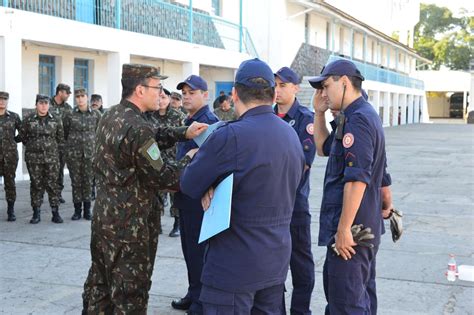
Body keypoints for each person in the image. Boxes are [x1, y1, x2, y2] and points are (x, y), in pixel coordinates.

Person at [180, 58, 305, 313]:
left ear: (235, 94)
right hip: (274, 263)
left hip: (233, 268)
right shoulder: (291, 134)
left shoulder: (229, 135)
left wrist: (200, 171)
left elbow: (190, 184)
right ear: (272, 95)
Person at [81, 63, 207, 314]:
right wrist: (190, 158)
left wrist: (184, 132)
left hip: (105, 220)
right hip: (131, 228)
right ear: (140, 90)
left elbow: (152, 134)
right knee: (130, 295)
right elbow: (164, 177)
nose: (160, 94)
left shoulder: (112, 115)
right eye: (157, 87)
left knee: (100, 286)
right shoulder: (137, 127)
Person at [309, 59, 392, 314]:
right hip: (361, 226)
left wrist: (344, 228)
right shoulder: (354, 116)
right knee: (359, 298)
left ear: (344, 82)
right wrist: (319, 113)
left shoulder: (358, 120)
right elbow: (323, 147)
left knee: (346, 304)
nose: (323, 93)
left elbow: (357, 178)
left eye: (325, 86)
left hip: (353, 232)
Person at [172, 75, 219, 315]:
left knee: (200, 252)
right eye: (185, 92)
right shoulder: (188, 121)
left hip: (199, 199)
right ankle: (193, 293)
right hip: (185, 197)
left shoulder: (209, 123)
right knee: (189, 250)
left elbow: (210, 163)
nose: (187, 96)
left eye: (192, 92)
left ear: (205, 94)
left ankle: (202, 300)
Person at [274, 66, 315, 315]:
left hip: (294, 205)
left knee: (301, 266)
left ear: (296, 88)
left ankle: (300, 311)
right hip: (270, 207)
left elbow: (303, 163)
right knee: (272, 268)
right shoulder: (267, 116)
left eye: (283, 85)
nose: (277, 90)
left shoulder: (304, 119)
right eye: (275, 85)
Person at [21, 94, 64, 224]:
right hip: (34, 159)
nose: (44, 105)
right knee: (36, 185)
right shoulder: (28, 120)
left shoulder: (56, 119)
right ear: (36, 105)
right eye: (41, 103)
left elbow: (60, 139)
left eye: (46, 103)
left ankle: (55, 213)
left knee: (53, 185)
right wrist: (35, 147)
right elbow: (23, 137)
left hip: (52, 159)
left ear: (49, 105)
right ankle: (36, 213)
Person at [63, 88, 101, 221]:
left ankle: (87, 210)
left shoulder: (96, 115)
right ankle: (77, 211)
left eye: (82, 96)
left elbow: (100, 132)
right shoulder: (69, 115)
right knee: (76, 182)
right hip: (74, 154)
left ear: (87, 98)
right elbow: (65, 132)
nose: (80, 99)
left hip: (90, 154)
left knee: (88, 182)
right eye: (77, 96)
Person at [153, 88, 186, 237]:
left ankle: (177, 225)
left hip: (174, 159)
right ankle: (156, 224)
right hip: (155, 160)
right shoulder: (149, 116)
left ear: (168, 99)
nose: (160, 100)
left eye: (163, 97)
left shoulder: (178, 115)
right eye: (158, 97)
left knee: (175, 194)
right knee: (157, 194)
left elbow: (185, 136)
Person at [0, 91, 22, 221]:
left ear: (7, 101)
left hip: (10, 156)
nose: (2, 101)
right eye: (0, 99)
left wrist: (14, 140)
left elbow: (23, 132)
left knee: (10, 183)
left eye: (4, 99)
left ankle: (11, 210)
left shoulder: (14, 117)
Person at [50, 83, 73, 204]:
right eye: (67, 92)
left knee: (59, 170)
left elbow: (70, 127)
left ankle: (57, 193)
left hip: (61, 145)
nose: (69, 95)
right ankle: (46, 193)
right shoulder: (46, 104)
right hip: (47, 145)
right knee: (46, 170)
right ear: (60, 92)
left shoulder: (68, 108)